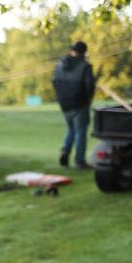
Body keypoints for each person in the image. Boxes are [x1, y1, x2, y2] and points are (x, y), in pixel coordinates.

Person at [52, 40, 96, 169]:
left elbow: (54, 82)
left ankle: (65, 150)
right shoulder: (85, 66)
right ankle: (80, 161)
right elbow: (89, 85)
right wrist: (89, 99)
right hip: (80, 103)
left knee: (71, 128)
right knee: (81, 132)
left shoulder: (59, 64)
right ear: (84, 52)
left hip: (64, 104)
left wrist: (61, 98)